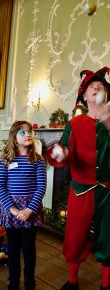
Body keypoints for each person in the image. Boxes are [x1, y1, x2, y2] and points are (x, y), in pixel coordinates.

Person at [47, 66, 110, 290]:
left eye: (100, 86)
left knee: (108, 236)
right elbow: (63, 153)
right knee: (75, 236)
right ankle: (72, 281)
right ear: (84, 96)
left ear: (107, 95)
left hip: (107, 190)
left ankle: (106, 284)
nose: (96, 88)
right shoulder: (74, 124)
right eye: (91, 87)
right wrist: (61, 154)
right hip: (81, 189)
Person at [0, 120, 47, 290]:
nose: (28, 134)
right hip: (11, 209)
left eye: (30, 132)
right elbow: (1, 186)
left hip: (30, 210)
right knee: (13, 247)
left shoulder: (37, 160)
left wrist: (29, 210)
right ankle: (13, 280)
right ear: (14, 137)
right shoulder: (5, 160)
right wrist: (12, 209)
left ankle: (29, 281)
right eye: (23, 132)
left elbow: (41, 186)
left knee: (28, 248)